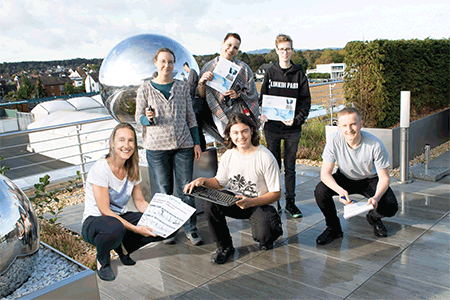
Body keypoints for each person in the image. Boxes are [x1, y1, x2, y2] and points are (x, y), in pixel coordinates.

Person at [184, 113, 283, 265]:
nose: (240, 136)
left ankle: (272, 229)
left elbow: (276, 194)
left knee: (264, 237)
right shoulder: (228, 155)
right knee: (210, 204)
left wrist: (251, 202)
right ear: (229, 135)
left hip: (259, 203)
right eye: (235, 133)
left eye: (244, 131)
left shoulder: (265, 157)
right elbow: (219, 183)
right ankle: (224, 247)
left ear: (251, 131)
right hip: (236, 201)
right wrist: (203, 180)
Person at [135, 47, 203, 246]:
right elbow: (138, 117)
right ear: (156, 63)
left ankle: (191, 228)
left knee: (186, 190)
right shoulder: (145, 89)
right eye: (163, 61)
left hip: (183, 145)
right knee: (164, 191)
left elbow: (191, 117)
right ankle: (168, 230)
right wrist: (146, 119)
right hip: (156, 148)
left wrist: (196, 142)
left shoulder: (181, 87)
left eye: (171, 62)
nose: (167, 65)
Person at [81, 123, 166, 281]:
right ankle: (102, 259)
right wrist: (136, 229)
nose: (126, 145)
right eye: (121, 140)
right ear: (113, 143)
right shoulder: (101, 168)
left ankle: (123, 245)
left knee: (165, 228)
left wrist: (160, 215)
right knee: (115, 227)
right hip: (95, 223)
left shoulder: (133, 168)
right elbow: (105, 210)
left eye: (131, 140)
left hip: (118, 219)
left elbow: (140, 202)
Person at [314, 107, 398, 245]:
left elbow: (384, 178)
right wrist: (340, 191)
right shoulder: (334, 140)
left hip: (369, 179)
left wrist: (376, 197)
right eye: (345, 126)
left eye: (353, 124)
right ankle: (334, 228)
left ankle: (374, 217)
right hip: (345, 177)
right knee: (320, 191)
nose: (349, 129)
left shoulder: (375, 144)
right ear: (339, 127)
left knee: (391, 206)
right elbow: (325, 174)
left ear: (361, 124)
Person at [259, 34, 311, 218]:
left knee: (290, 168)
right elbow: (262, 98)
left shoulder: (299, 74)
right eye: (281, 49)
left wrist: (296, 120)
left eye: (288, 48)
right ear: (276, 50)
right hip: (272, 128)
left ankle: (290, 203)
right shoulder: (270, 73)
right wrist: (263, 113)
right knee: (273, 167)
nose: (285, 52)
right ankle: (273, 203)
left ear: (292, 50)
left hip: (292, 129)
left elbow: (305, 102)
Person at [198, 32, 260, 137]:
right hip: (218, 111)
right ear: (223, 43)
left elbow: (252, 93)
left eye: (235, 48)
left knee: (243, 140)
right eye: (229, 45)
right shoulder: (208, 67)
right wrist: (201, 82)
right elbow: (202, 96)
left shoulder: (243, 69)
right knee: (229, 143)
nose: (231, 49)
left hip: (239, 112)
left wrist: (238, 95)